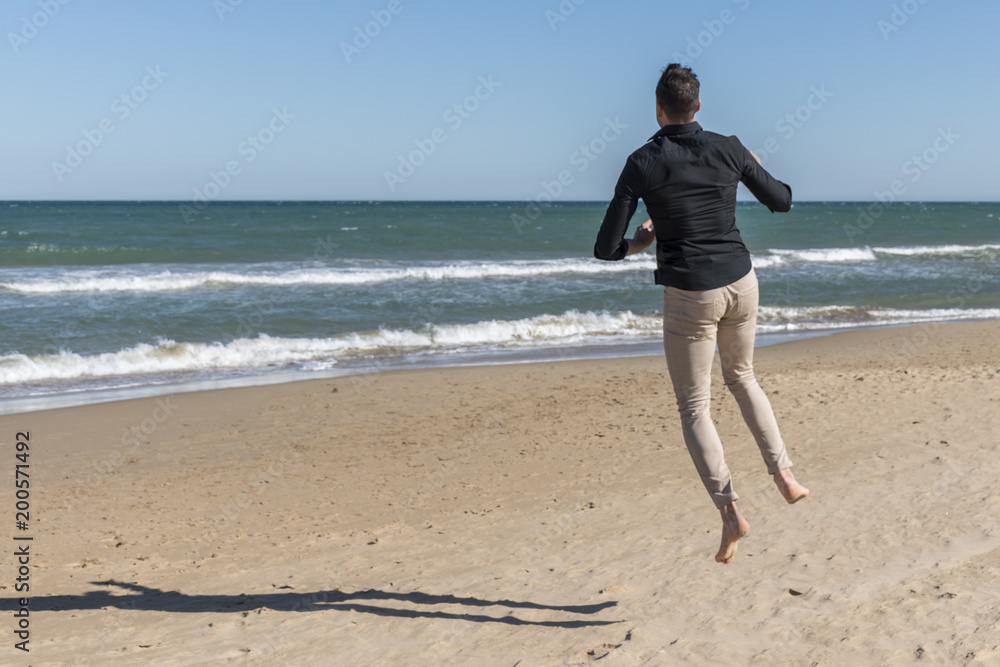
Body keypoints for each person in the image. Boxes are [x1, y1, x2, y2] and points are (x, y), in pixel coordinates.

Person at [594, 64, 809, 564]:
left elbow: (606, 248)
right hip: (741, 283)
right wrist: (750, 164)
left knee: (695, 408)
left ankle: (730, 511)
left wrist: (639, 244)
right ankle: (785, 476)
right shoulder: (728, 146)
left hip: (692, 293)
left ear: (658, 108)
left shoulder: (641, 161)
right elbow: (782, 201)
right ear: (698, 107)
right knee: (744, 378)